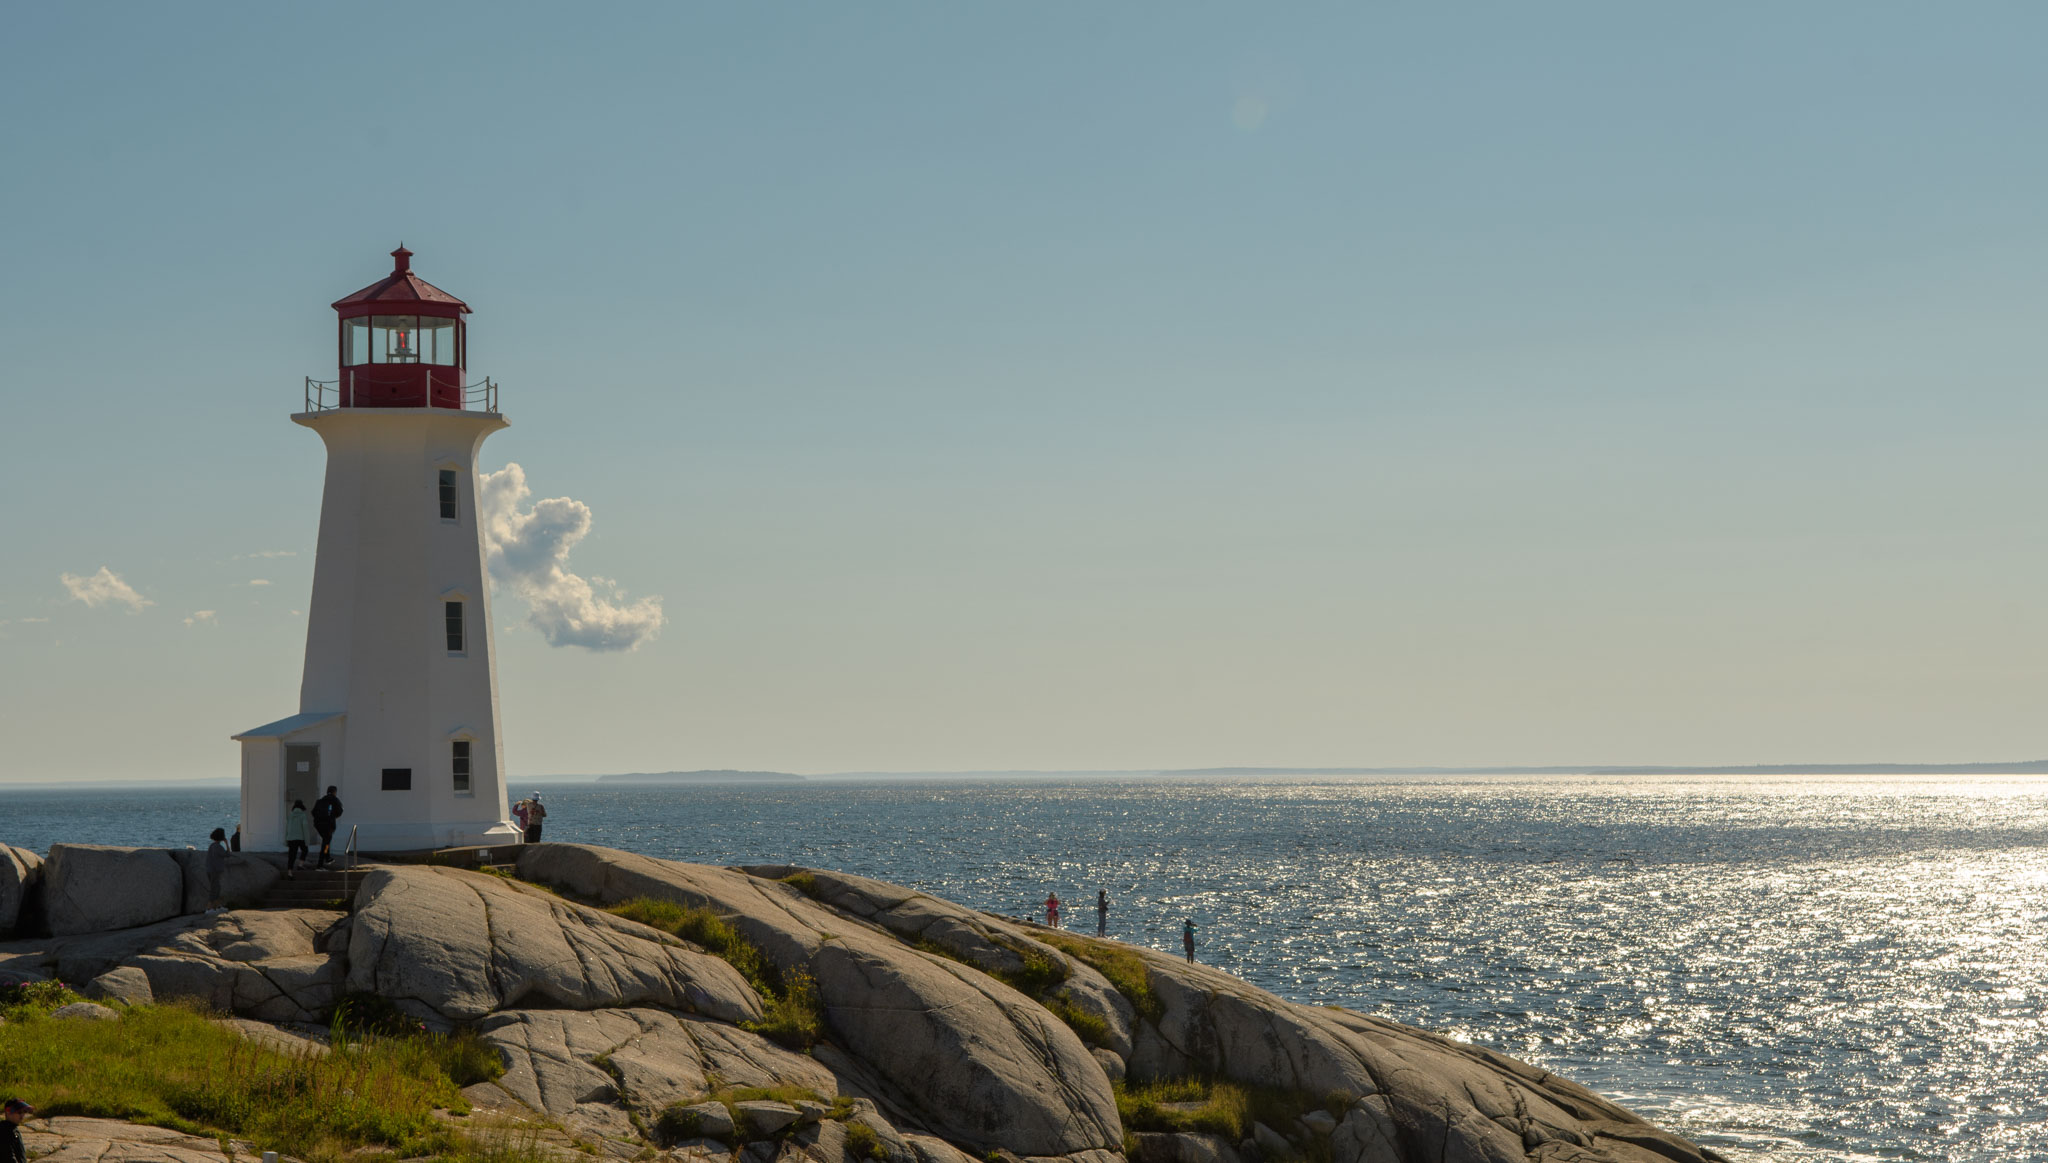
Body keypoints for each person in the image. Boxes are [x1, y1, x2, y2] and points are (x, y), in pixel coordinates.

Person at [312, 785, 344, 867]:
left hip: (318, 824)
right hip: (329, 825)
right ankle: (320, 864)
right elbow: (340, 811)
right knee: (326, 844)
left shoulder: (320, 800)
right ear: (334, 792)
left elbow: (313, 812)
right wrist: (332, 817)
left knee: (326, 841)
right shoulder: (335, 800)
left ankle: (327, 857)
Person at [283, 799, 312, 877]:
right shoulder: (303, 815)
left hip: (291, 838)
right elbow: (305, 828)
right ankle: (300, 865)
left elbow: (287, 828)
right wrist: (307, 841)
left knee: (291, 855)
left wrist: (286, 839)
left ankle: (289, 872)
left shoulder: (290, 815)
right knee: (305, 850)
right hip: (301, 838)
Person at [205, 828, 229, 912]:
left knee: (217, 888)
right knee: (214, 889)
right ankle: (209, 908)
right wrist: (226, 843)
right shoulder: (218, 847)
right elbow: (227, 854)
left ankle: (217, 906)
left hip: (210, 869)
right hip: (215, 870)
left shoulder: (212, 845)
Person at [4, 1098, 34, 1163]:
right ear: (8, 1112)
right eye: (19, 1112)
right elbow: (8, 1157)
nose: (22, 1115)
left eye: (25, 1111)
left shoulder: (14, 1129)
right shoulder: (5, 1132)